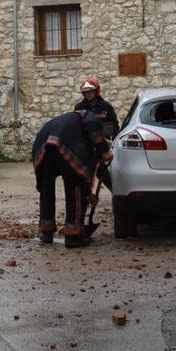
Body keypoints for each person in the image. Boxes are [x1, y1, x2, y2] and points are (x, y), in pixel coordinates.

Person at [31, 110, 112, 248]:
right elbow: (94, 132)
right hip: (64, 144)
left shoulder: (66, 120)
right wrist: (104, 151)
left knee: (46, 191)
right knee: (75, 189)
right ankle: (73, 236)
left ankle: (46, 232)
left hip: (42, 148)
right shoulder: (88, 116)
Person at [74, 77, 119, 191]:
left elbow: (114, 125)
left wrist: (112, 140)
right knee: (84, 172)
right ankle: (86, 196)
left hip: (103, 143)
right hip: (86, 145)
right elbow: (76, 126)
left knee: (102, 171)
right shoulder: (79, 108)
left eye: (90, 91)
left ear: (96, 91)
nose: (88, 94)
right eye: (86, 92)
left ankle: (115, 191)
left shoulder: (106, 107)